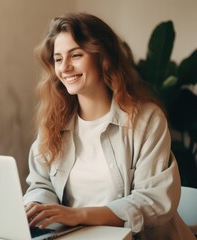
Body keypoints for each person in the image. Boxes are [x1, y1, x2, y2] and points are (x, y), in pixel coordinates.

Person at [23, 12, 195, 239]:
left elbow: (152, 200)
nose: (64, 67)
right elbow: (41, 183)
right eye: (58, 59)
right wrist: (36, 207)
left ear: (102, 57)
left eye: (76, 55)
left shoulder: (146, 120)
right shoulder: (54, 122)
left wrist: (77, 215)